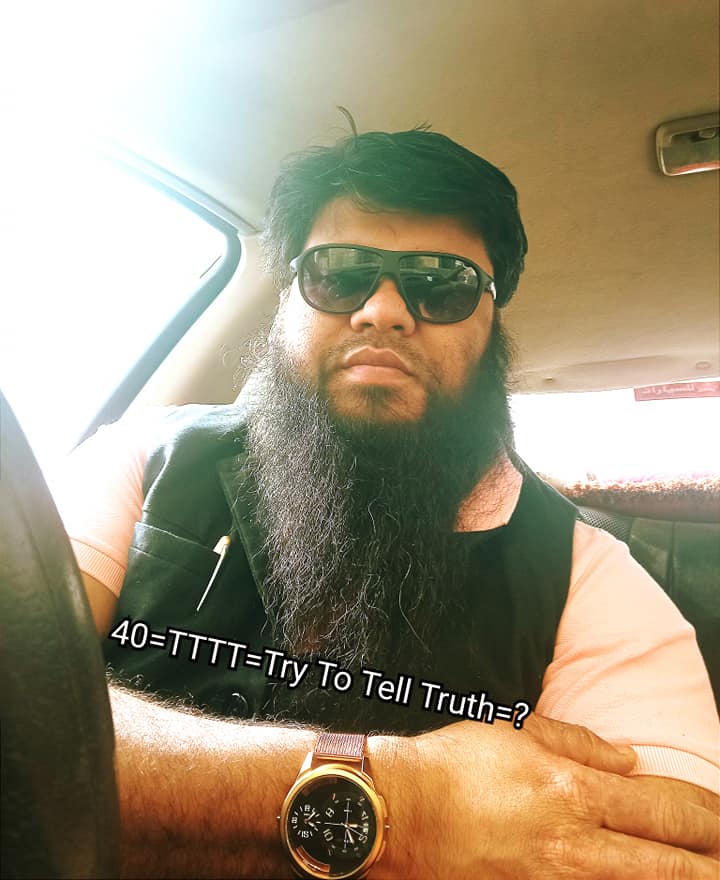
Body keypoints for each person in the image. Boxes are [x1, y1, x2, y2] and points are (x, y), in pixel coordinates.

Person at [56, 129, 718, 878]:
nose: (382, 311)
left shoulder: (589, 579)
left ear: (492, 322)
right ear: (288, 301)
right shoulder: (142, 459)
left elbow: (680, 850)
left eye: (442, 284)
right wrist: (414, 804)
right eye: (338, 274)